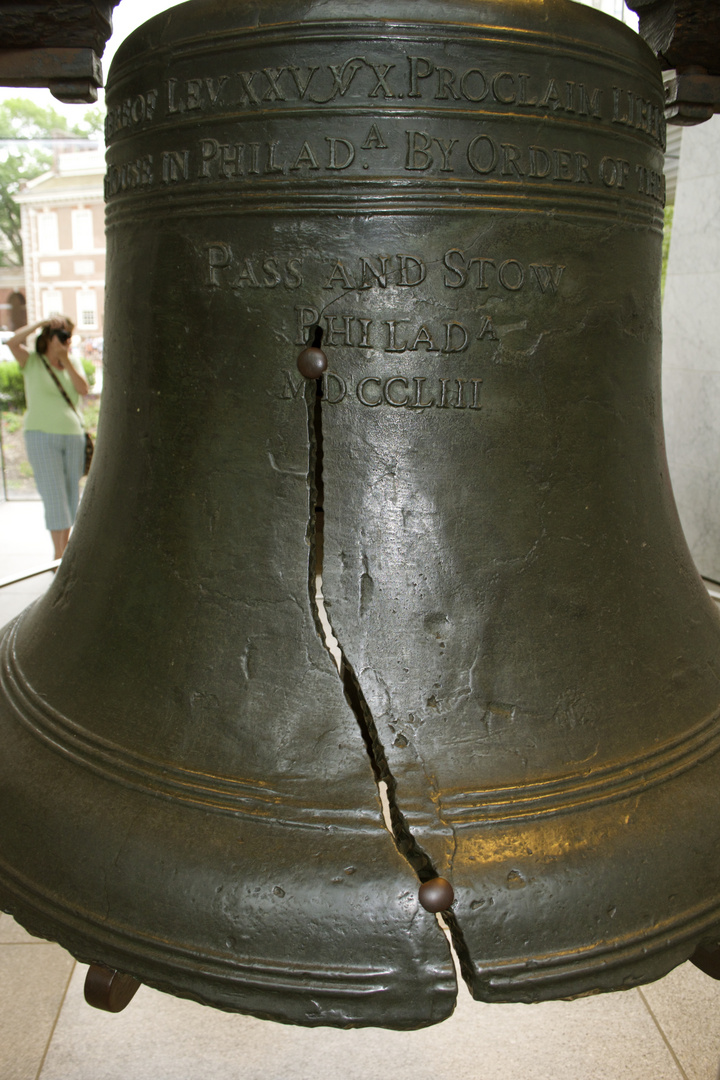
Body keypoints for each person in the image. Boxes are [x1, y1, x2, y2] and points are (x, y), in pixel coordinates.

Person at [8, 316, 90, 559]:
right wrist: (41, 323)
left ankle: (64, 552)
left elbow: (83, 389)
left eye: (66, 334)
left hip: (73, 436)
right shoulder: (32, 361)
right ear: (47, 336)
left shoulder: (73, 361)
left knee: (70, 494)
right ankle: (58, 555)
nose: (63, 338)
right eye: (58, 333)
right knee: (54, 495)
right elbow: (12, 342)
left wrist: (64, 358)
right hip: (41, 436)